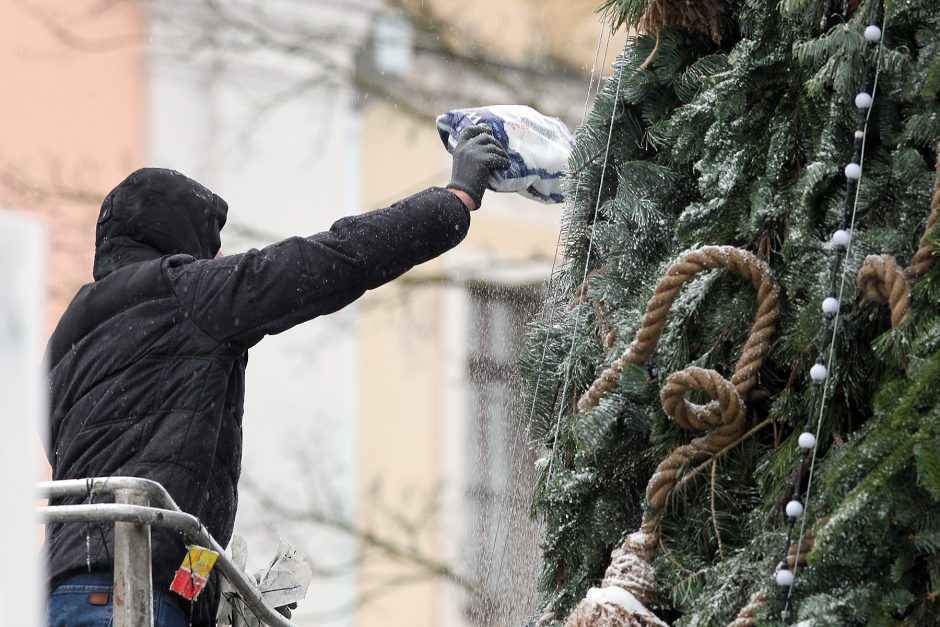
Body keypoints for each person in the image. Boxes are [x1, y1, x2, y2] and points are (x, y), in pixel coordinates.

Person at [43, 125, 510, 626]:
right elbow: (334, 258)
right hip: (131, 599)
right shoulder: (185, 295)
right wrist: (454, 200)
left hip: (67, 595)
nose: (216, 260)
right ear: (175, 238)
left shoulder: (66, 344)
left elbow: (150, 461)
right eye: (210, 246)